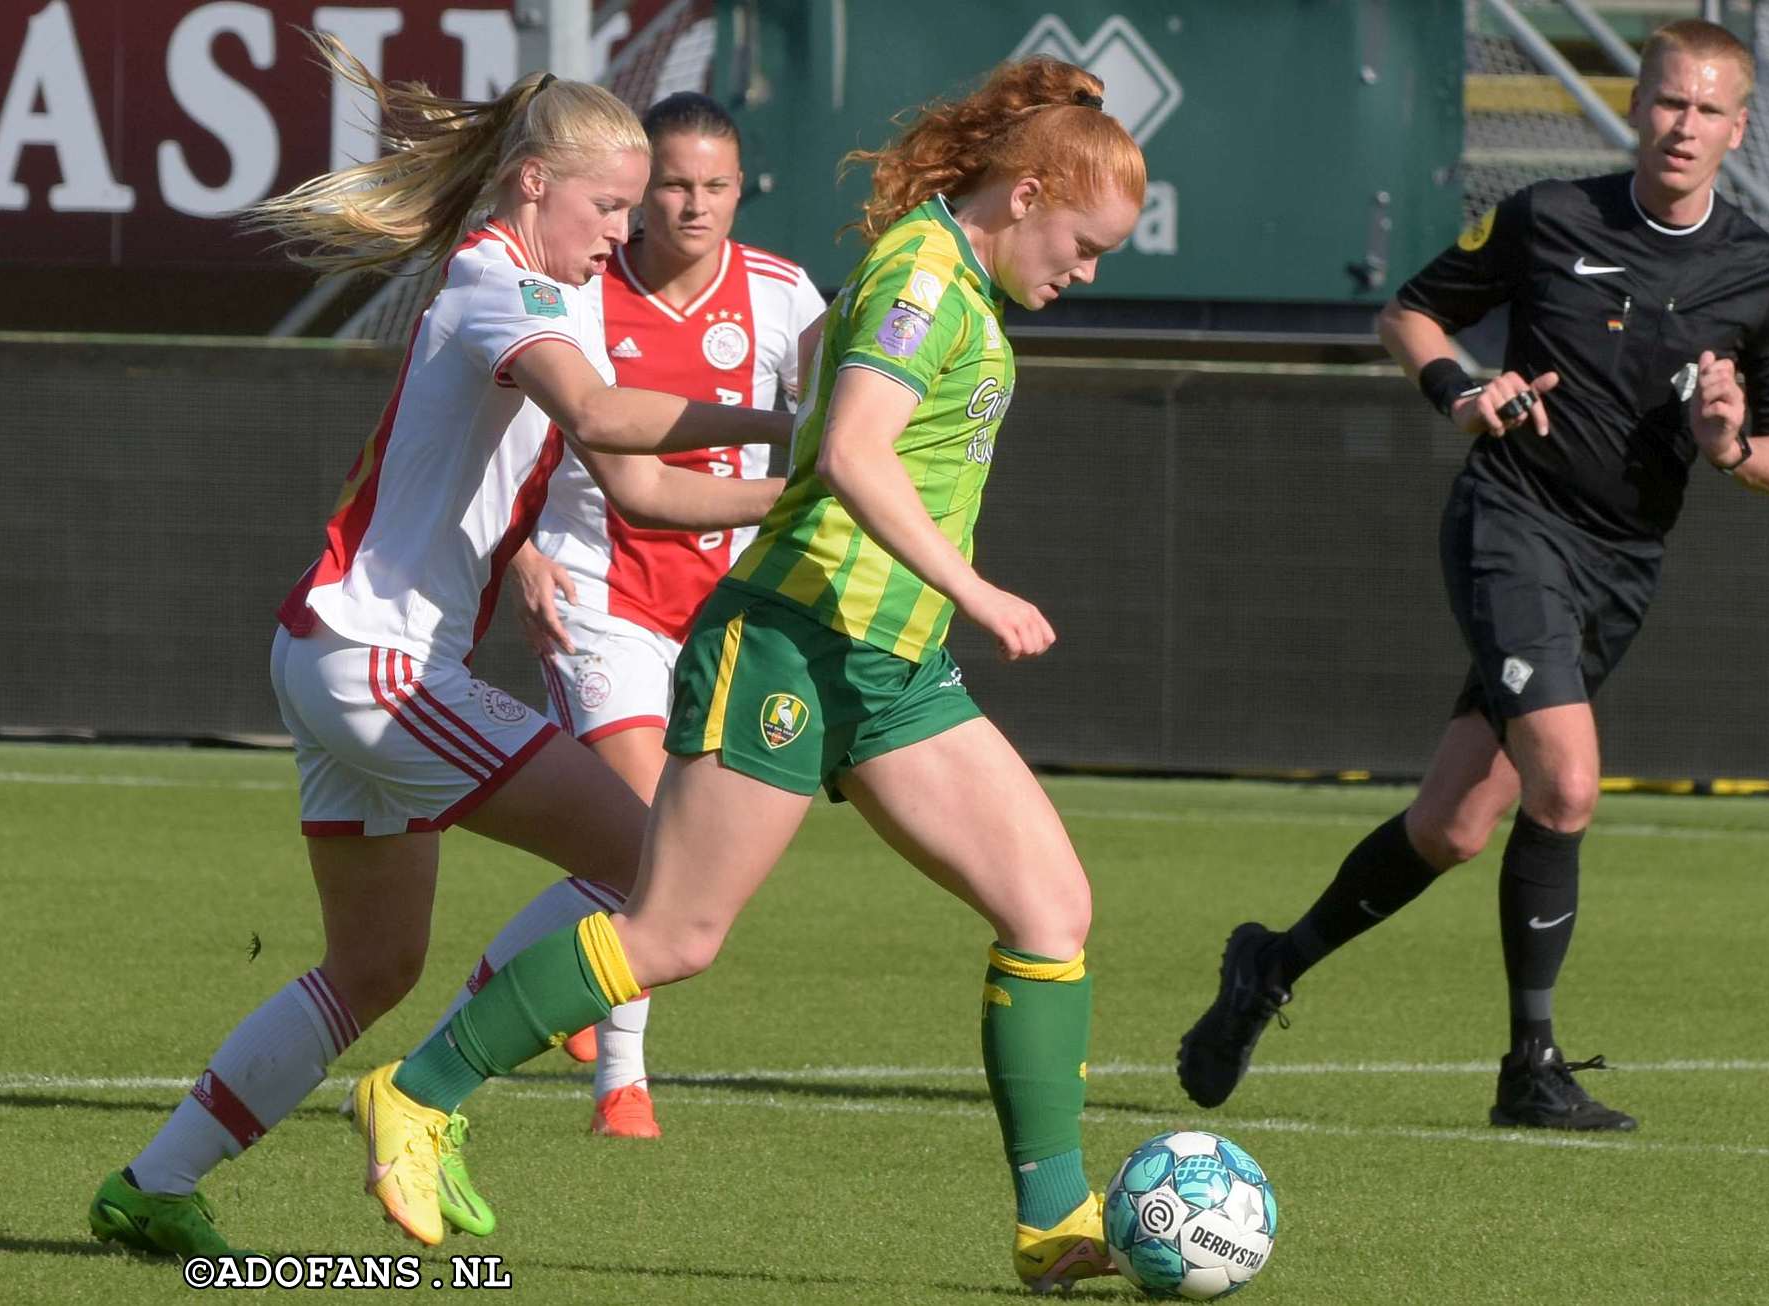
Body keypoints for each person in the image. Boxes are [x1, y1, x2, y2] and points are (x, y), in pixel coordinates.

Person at [344, 57, 1146, 1289]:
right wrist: (980, 589)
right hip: (792, 639)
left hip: (894, 661)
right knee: (672, 932)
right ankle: (418, 1088)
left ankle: (1056, 1221)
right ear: (1029, 193)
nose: (1087, 271)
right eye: (1084, 242)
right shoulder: (924, 280)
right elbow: (860, 453)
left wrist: (942, 608)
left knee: (1052, 911)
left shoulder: (960, 277)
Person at [86, 37, 791, 1257]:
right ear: (532, 183)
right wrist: (793, 421)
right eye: (609, 206)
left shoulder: (555, 290)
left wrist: (798, 491)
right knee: (659, 876)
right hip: (384, 666)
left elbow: (639, 484)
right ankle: (422, 1101)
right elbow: (603, 416)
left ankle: (151, 1183)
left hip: (331, 654)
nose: (623, 234)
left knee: (371, 961)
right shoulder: (494, 278)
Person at [1178, 19, 1769, 1131]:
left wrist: (1727, 444)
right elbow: (1411, 313)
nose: (1683, 126)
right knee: (1566, 785)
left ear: (1739, 130)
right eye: (1668, 101)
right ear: (1637, 105)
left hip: (1620, 564)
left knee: (1454, 826)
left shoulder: (1762, 277)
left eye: (1708, 110)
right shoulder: (1548, 216)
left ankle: (1268, 967)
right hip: (1512, 519)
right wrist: (1460, 394)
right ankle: (1531, 1066)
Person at [415, 90, 826, 1142]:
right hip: (603, 593)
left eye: (716, 185)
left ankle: (503, 981)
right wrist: (532, 556)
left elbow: (843, 427)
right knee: (650, 847)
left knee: (675, 864)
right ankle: (621, 1090)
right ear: (633, 198)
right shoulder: (575, 288)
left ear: (744, 191)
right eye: (673, 186)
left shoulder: (783, 296)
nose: (693, 206)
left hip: (730, 601)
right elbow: (547, 435)